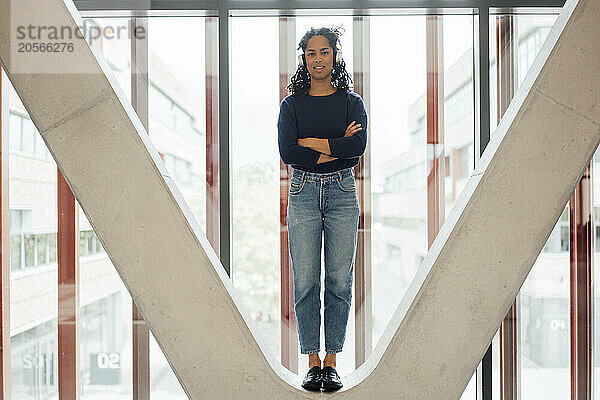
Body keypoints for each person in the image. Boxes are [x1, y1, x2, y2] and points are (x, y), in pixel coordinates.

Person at [277, 25, 368, 393]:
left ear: (335, 56)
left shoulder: (351, 102)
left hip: (343, 192)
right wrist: (335, 145)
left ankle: (332, 361)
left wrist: (312, 142)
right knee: (307, 280)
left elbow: (358, 147)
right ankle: (311, 361)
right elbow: (288, 152)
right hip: (302, 192)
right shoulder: (292, 104)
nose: (318, 59)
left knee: (339, 281)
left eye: (324, 52)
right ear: (304, 58)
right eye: (311, 53)